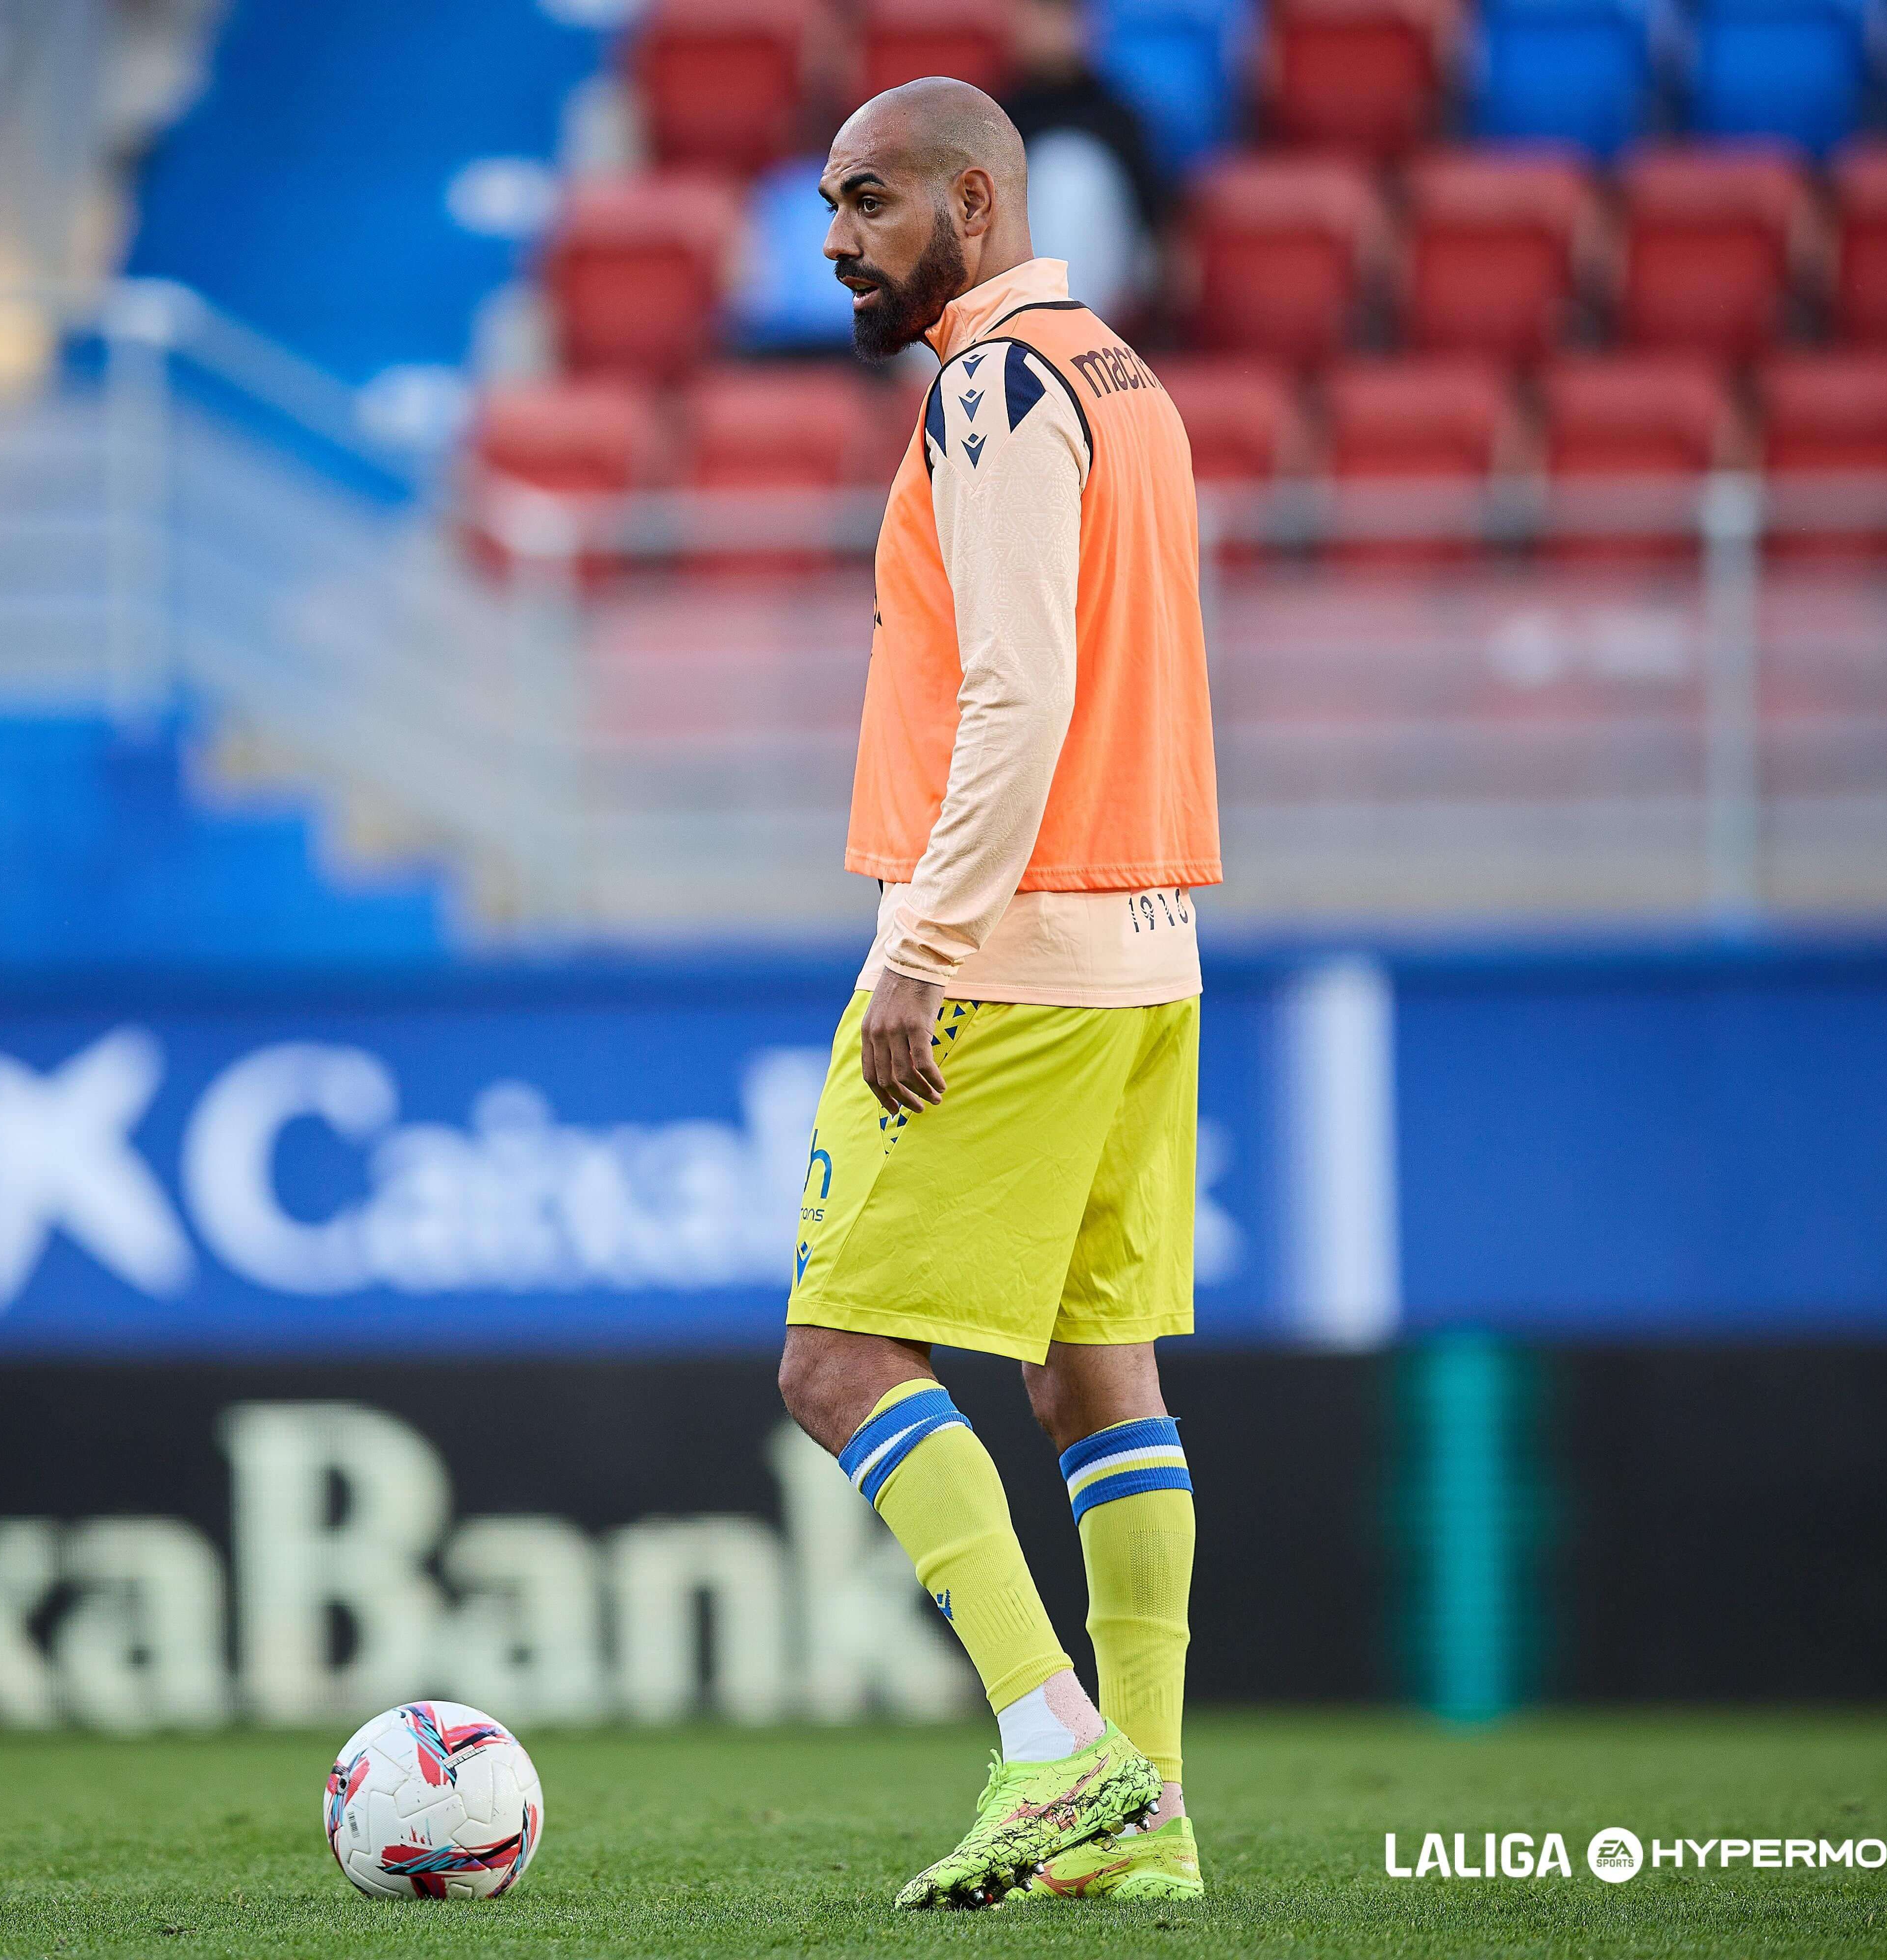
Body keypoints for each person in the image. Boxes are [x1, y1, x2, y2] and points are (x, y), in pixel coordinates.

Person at [790, 75, 1219, 1910]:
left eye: (869, 200)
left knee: (834, 1356)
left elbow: (1020, 691)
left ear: (973, 201)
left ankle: (1058, 1752)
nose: (833, 239)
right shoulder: (1125, 376)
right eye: (826, 201)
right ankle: (1153, 1817)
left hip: (1010, 953)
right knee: (1083, 1366)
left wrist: (923, 945)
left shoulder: (996, 382)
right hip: (1142, 946)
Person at [999, 0, 1177, 322]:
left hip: (1110, 268)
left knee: (1068, 176)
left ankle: (1061, 332)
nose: (1051, 31)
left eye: (1062, 18)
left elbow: (1154, 227)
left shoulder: (1120, 116)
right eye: (1041, 17)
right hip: (1015, 270)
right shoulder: (995, 115)